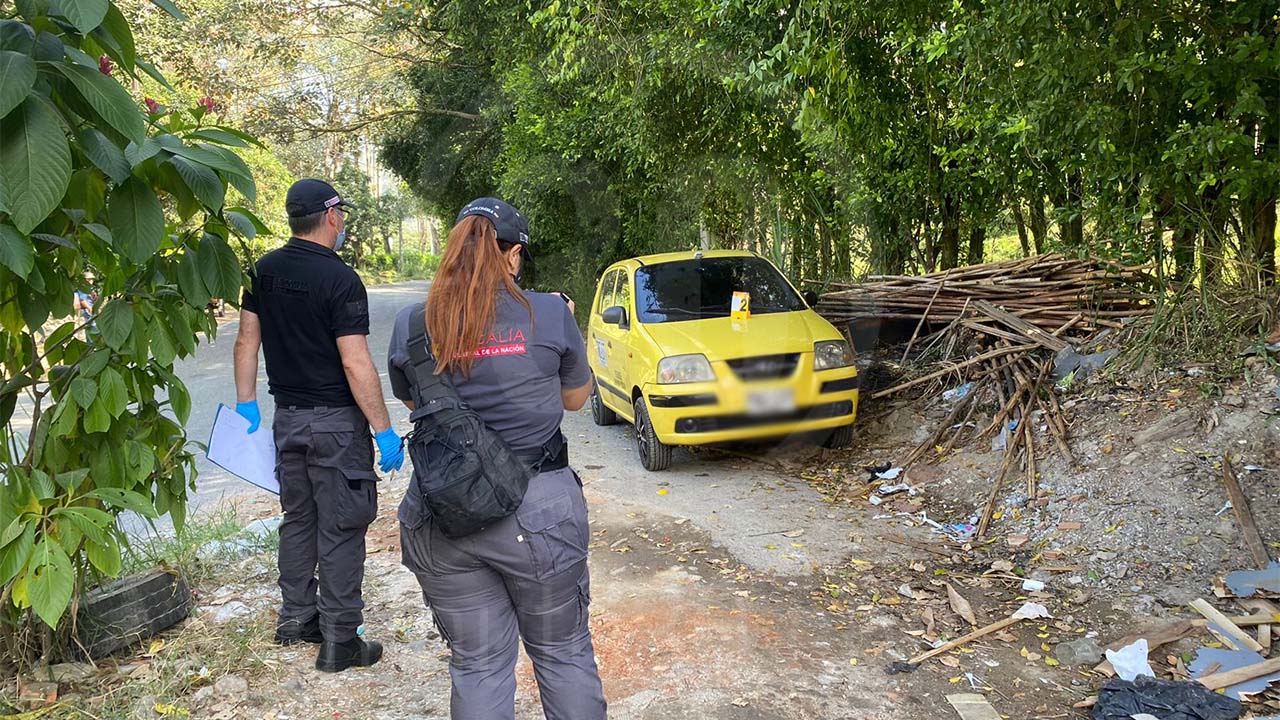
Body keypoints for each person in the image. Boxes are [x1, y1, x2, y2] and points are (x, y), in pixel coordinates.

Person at [388, 198, 607, 720]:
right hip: (540, 515)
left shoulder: (412, 324)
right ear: (511, 256)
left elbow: (418, 405)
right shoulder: (549, 313)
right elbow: (576, 399)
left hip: (443, 516)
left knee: (479, 664)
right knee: (562, 652)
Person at [232, 178, 405, 673]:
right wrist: (383, 429)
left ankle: (296, 620)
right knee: (343, 526)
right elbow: (355, 363)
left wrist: (248, 405)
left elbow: (247, 343)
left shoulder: (262, 271)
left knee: (299, 519)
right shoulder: (341, 280)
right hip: (336, 427)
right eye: (343, 216)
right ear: (332, 217)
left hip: (288, 421)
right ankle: (341, 639)